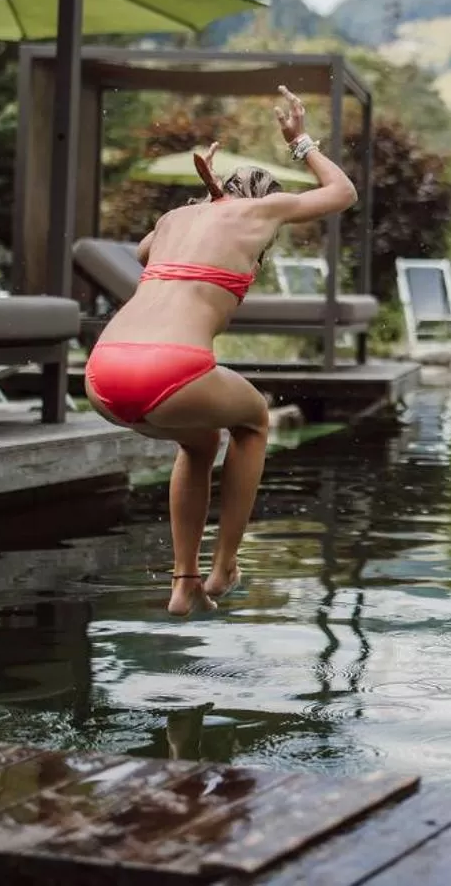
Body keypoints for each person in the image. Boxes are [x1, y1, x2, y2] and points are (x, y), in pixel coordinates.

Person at [84, 88, 357, 615]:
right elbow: (342, 192)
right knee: (254, 421)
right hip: (169, 370)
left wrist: (205, 203)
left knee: (200, 443)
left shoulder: (174, 220)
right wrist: (300, 141)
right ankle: (225, 564)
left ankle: (183, 582)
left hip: (102, 373)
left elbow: (144, 252)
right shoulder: (263, 210)